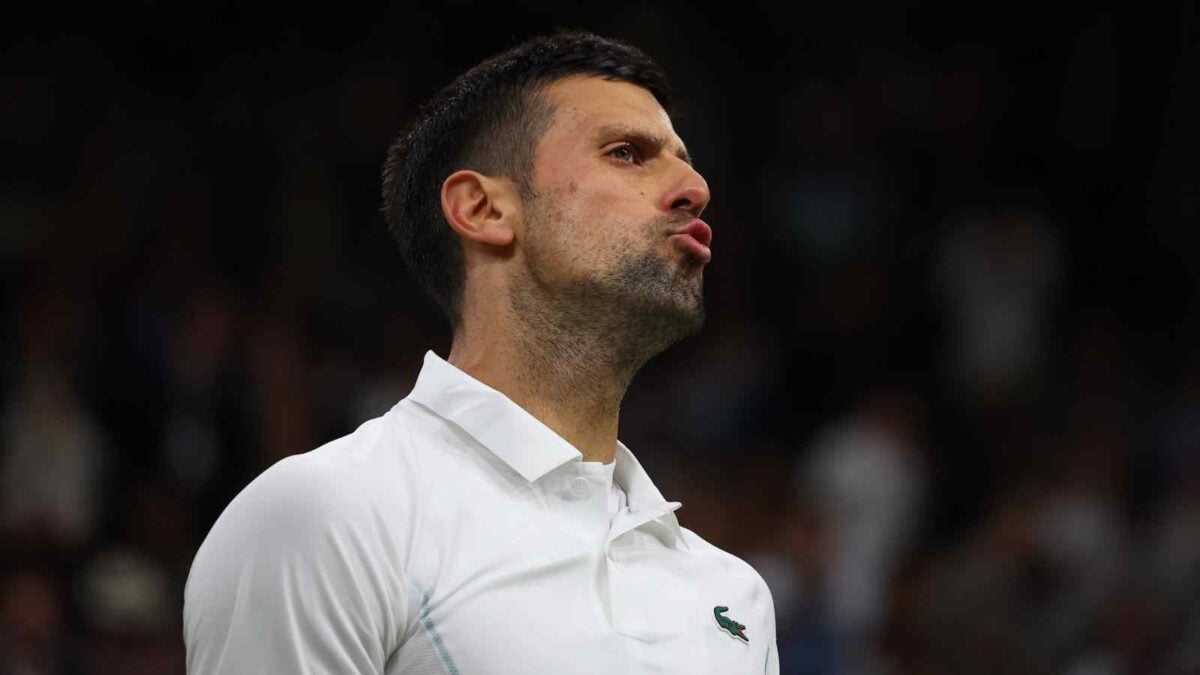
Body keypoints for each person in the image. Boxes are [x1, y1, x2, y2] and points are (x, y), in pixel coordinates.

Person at [183, 31, 779, 674]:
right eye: (627, 153)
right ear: (483, 208)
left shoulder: (732, 595)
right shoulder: (330, 515)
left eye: (684, 159)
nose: (694, 186)